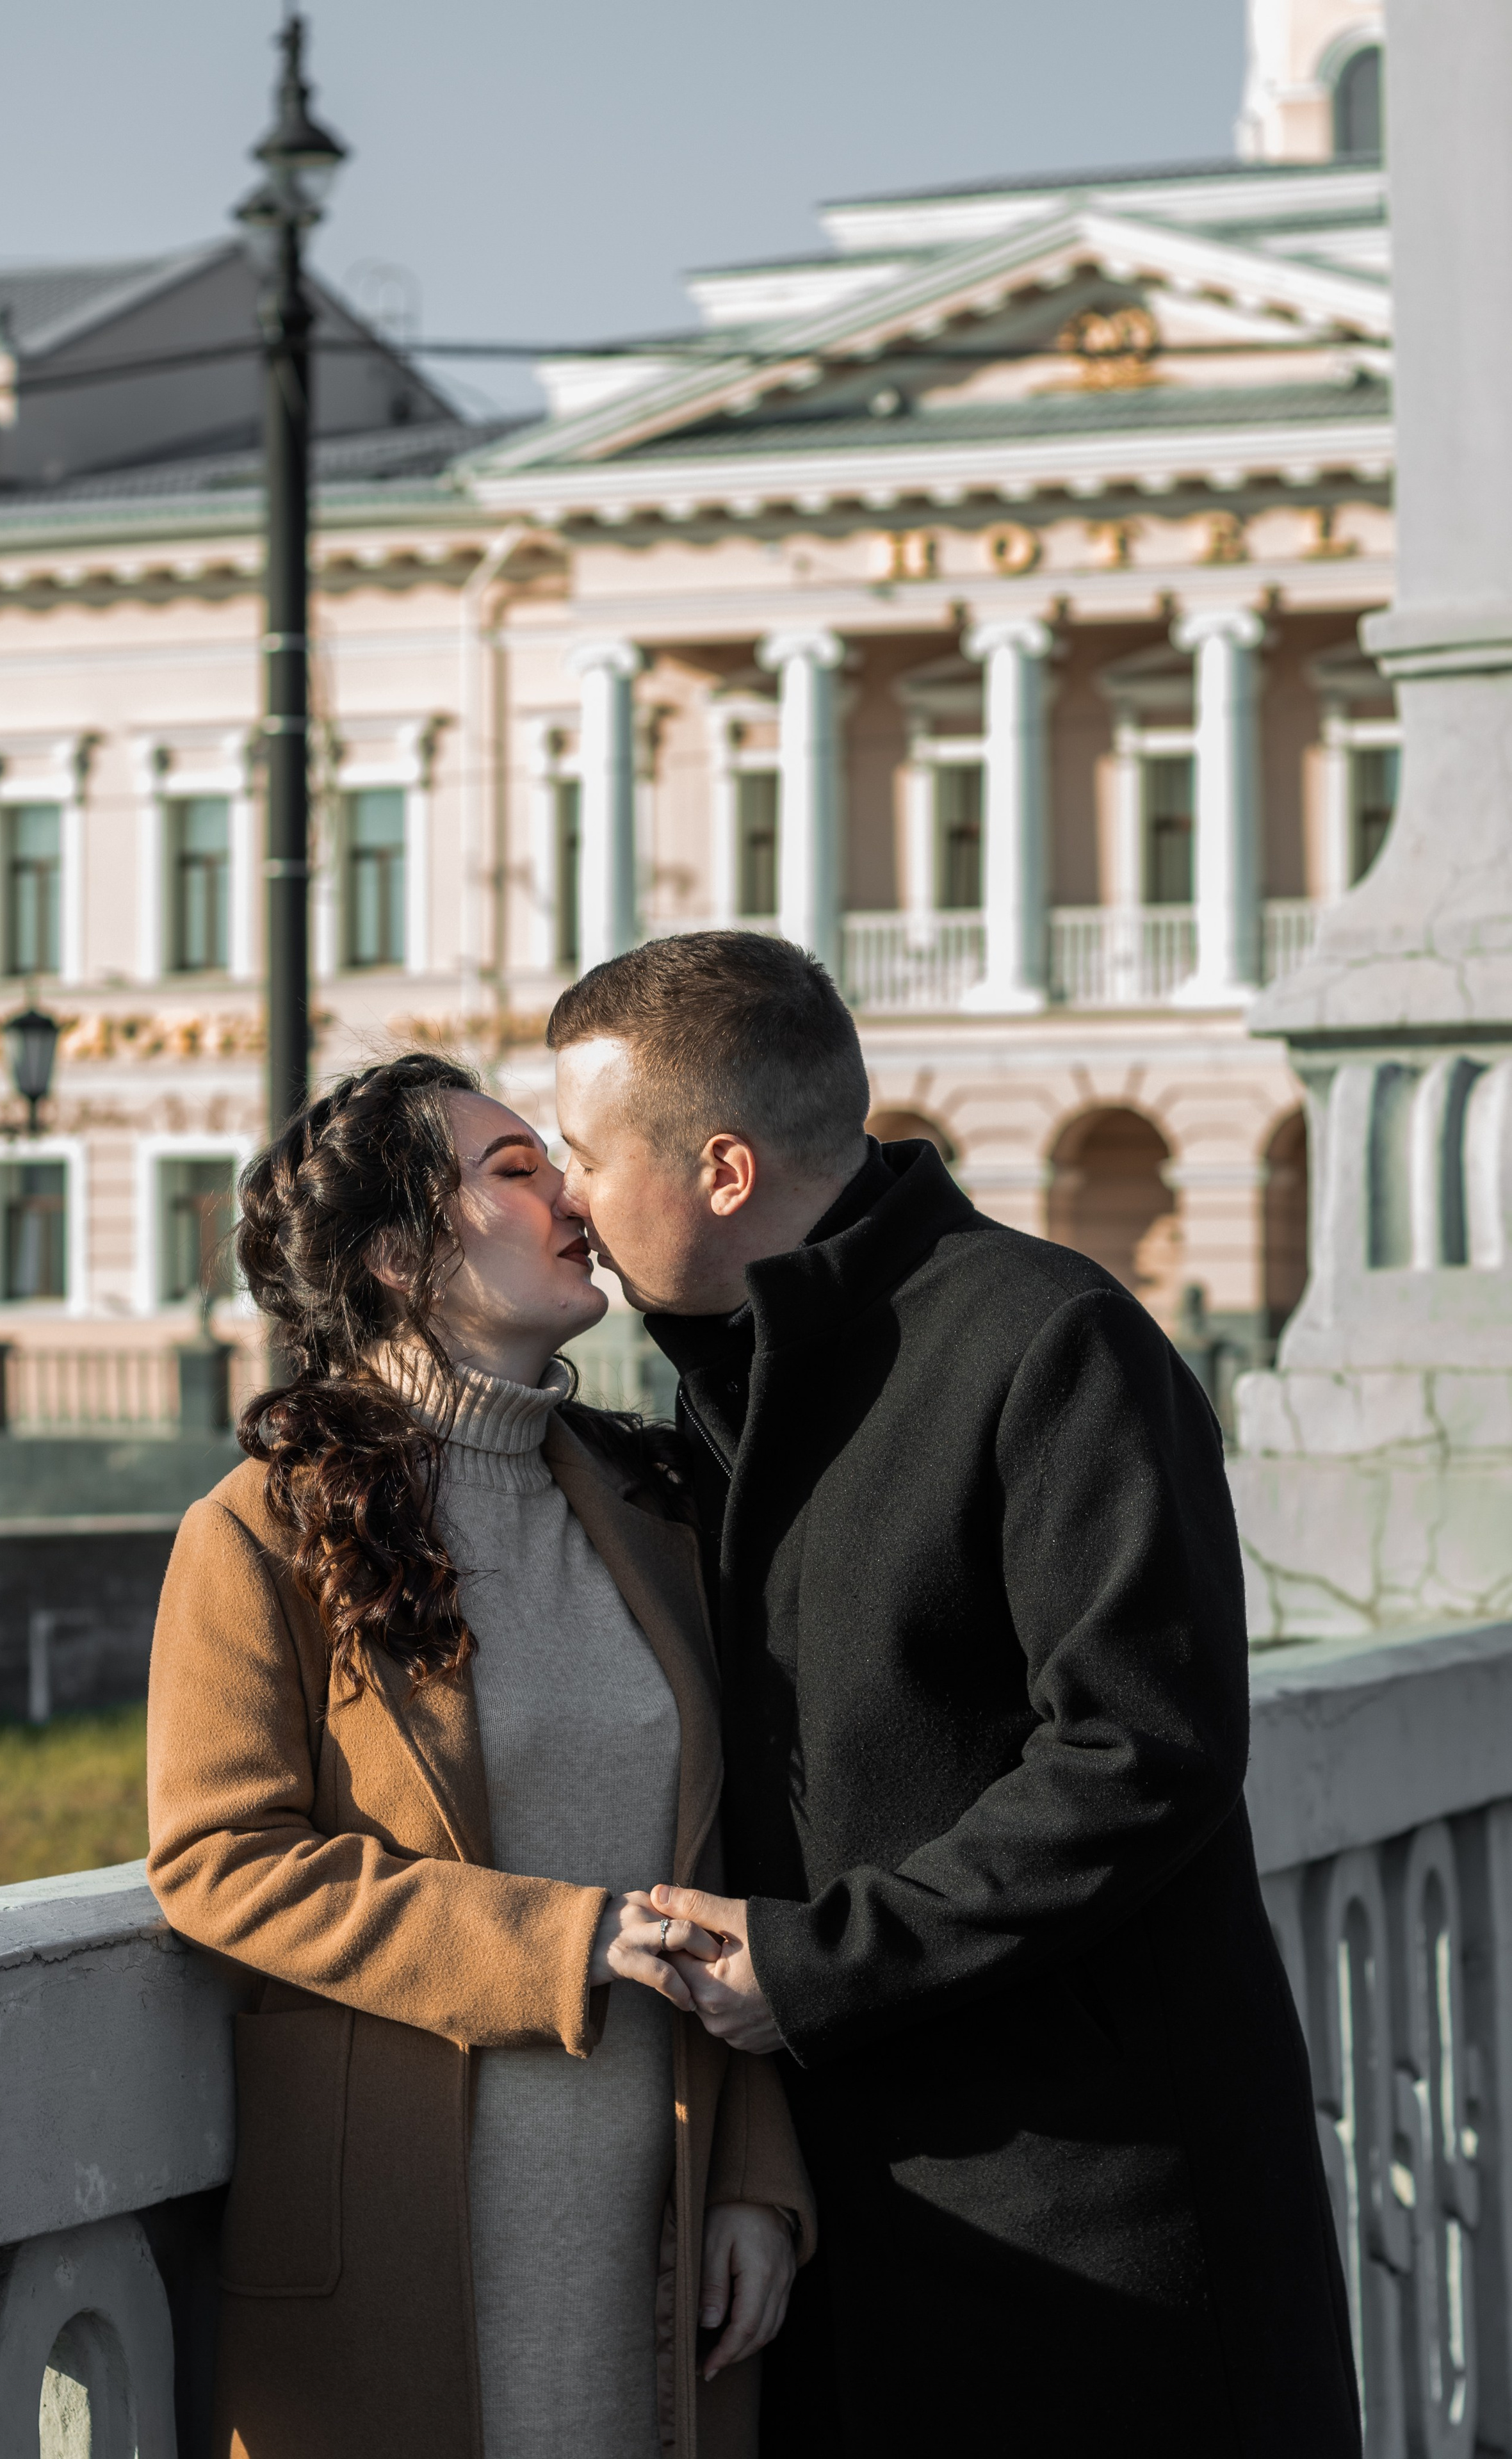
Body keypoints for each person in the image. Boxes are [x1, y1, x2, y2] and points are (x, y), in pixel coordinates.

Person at [548, 932, 1362, 2459]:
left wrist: (818, 1962)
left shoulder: (1048, 1338)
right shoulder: (721, 1387)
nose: (571, 1202)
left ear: (720, 1169)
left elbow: (1143, 1751)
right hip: (854, 2221)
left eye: (584, 1155)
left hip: (1090, 2225)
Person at [146, 1053, 811, 2459]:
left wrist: (756, 2171)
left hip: (665, 2229)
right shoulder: (261, 1530)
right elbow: (219, 1861)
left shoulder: (655, 1504)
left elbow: (732, 1857)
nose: (573, 1191)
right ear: (398, 1255)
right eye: (515, 1170)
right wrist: (557, 1942)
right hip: (403, 2231)